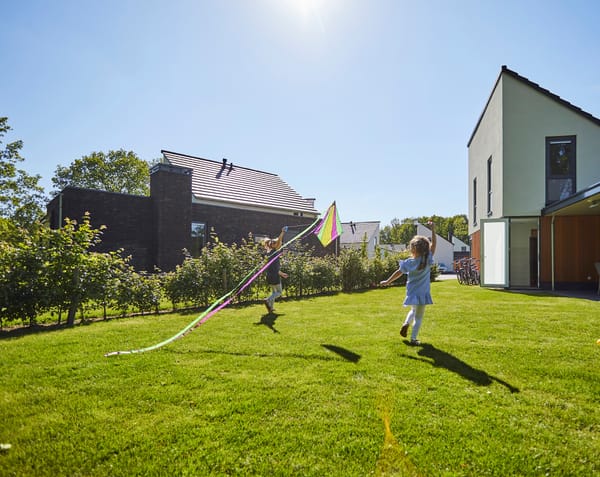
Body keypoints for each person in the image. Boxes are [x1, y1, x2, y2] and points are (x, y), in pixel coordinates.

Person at [380, 221, 437, 345]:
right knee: (419, 317)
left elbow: (398, 272)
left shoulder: (409, 263)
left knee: (413, 310)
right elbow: (434, 246)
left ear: (413, 249)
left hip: (412, 292)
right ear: (425, 249)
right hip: (423, 293)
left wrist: (387, 281)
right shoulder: (427, 259)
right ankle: (413, 339)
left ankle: (406, 323)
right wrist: (433, 230)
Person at [263, 227, 289, 313]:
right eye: (277, 243)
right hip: (274, 276)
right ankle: (267, 300)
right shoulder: (274, 251)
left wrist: (282, 273)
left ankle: (270, 308)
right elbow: (279, 241)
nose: (280, 244)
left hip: (270, 276)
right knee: (279, 292)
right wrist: (282, 232)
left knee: (274, 292)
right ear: (274, 245)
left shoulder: (270, 252)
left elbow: (274, 268)